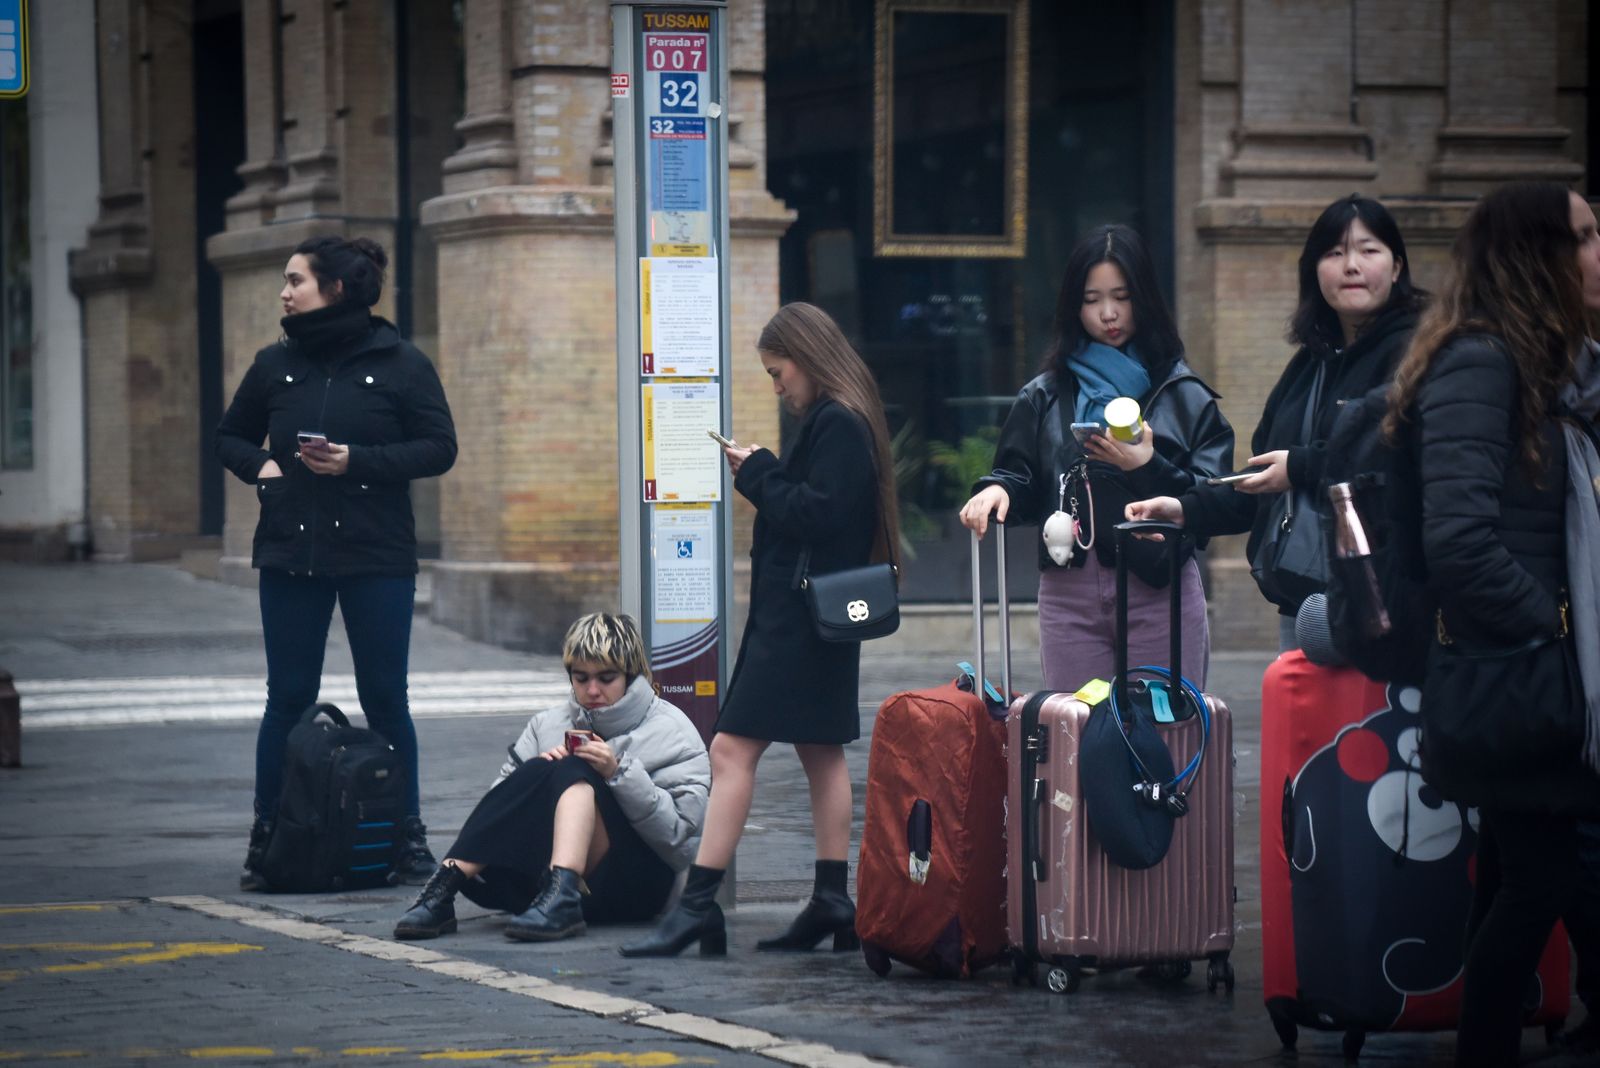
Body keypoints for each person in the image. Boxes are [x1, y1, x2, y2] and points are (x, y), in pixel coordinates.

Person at [1383, 181, 1600, 1066]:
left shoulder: (1538, 364)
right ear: (1535, 256)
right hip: (1519, 679)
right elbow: (1460, 543)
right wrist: (1556, 626)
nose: (1598, 253)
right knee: (1548, 880)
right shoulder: (1482, 362)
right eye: (1585, 236)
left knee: (1517, 884)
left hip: (1530, 673)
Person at [619, 302, 898, 958]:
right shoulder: (847, 420)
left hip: (798, 619)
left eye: (778, 372)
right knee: (820, 749)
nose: (777, 386)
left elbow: (820, 514)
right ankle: (831, 899)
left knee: (730, 751)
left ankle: (697, 907)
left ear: (808, 358)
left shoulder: (837, 422)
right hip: (813, 614)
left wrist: (760, 472)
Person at [216, 235, 457, 889]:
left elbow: (439, 447)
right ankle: (268, 839)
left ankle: (406, 843)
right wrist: (264, 468)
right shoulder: (275, 365)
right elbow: (230, 434)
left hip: (377, 555)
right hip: (292, 555)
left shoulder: (401, 362)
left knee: (387, 700)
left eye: (295, 280)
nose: (284, 292)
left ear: (336, 289)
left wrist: (359, 463)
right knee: (286, 701)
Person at [1125, 195, 1424, 651]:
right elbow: (1260, 479)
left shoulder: (1419, 351)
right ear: (1313, 271)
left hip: (1392, 601)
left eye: (1368, 250)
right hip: (1307, 605)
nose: (1351, 266)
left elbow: (1401, 457)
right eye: (1334, 252)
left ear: (1398, 266)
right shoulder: (1309, 365)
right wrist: (1184, 509)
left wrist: (1301, 467)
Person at [959, 224, 1233, 692]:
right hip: (1070, 591)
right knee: (1077, 740)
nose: (1108, 314)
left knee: (1166, 741)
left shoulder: (1183, 395)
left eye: (1121, 297)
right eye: (1091, 300)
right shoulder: (1044, 395)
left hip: (1158, 585)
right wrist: (997, 488)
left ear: (1143, 298)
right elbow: (1019, 474)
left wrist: (1145, 466)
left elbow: (1219, 499)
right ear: (1073, 306)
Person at [393, 613, 710, 942]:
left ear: (631, 677)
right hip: (537, 885)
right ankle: (443, 890)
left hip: (635, 886)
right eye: (580, 677)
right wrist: (542, 776)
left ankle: (561, 899)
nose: (592, 690)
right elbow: (498, 813)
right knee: (545, 768)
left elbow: (679, 843)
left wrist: (619, 772)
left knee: (575, 767)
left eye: (606, 678)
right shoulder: (546, 723)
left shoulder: (673, 730)